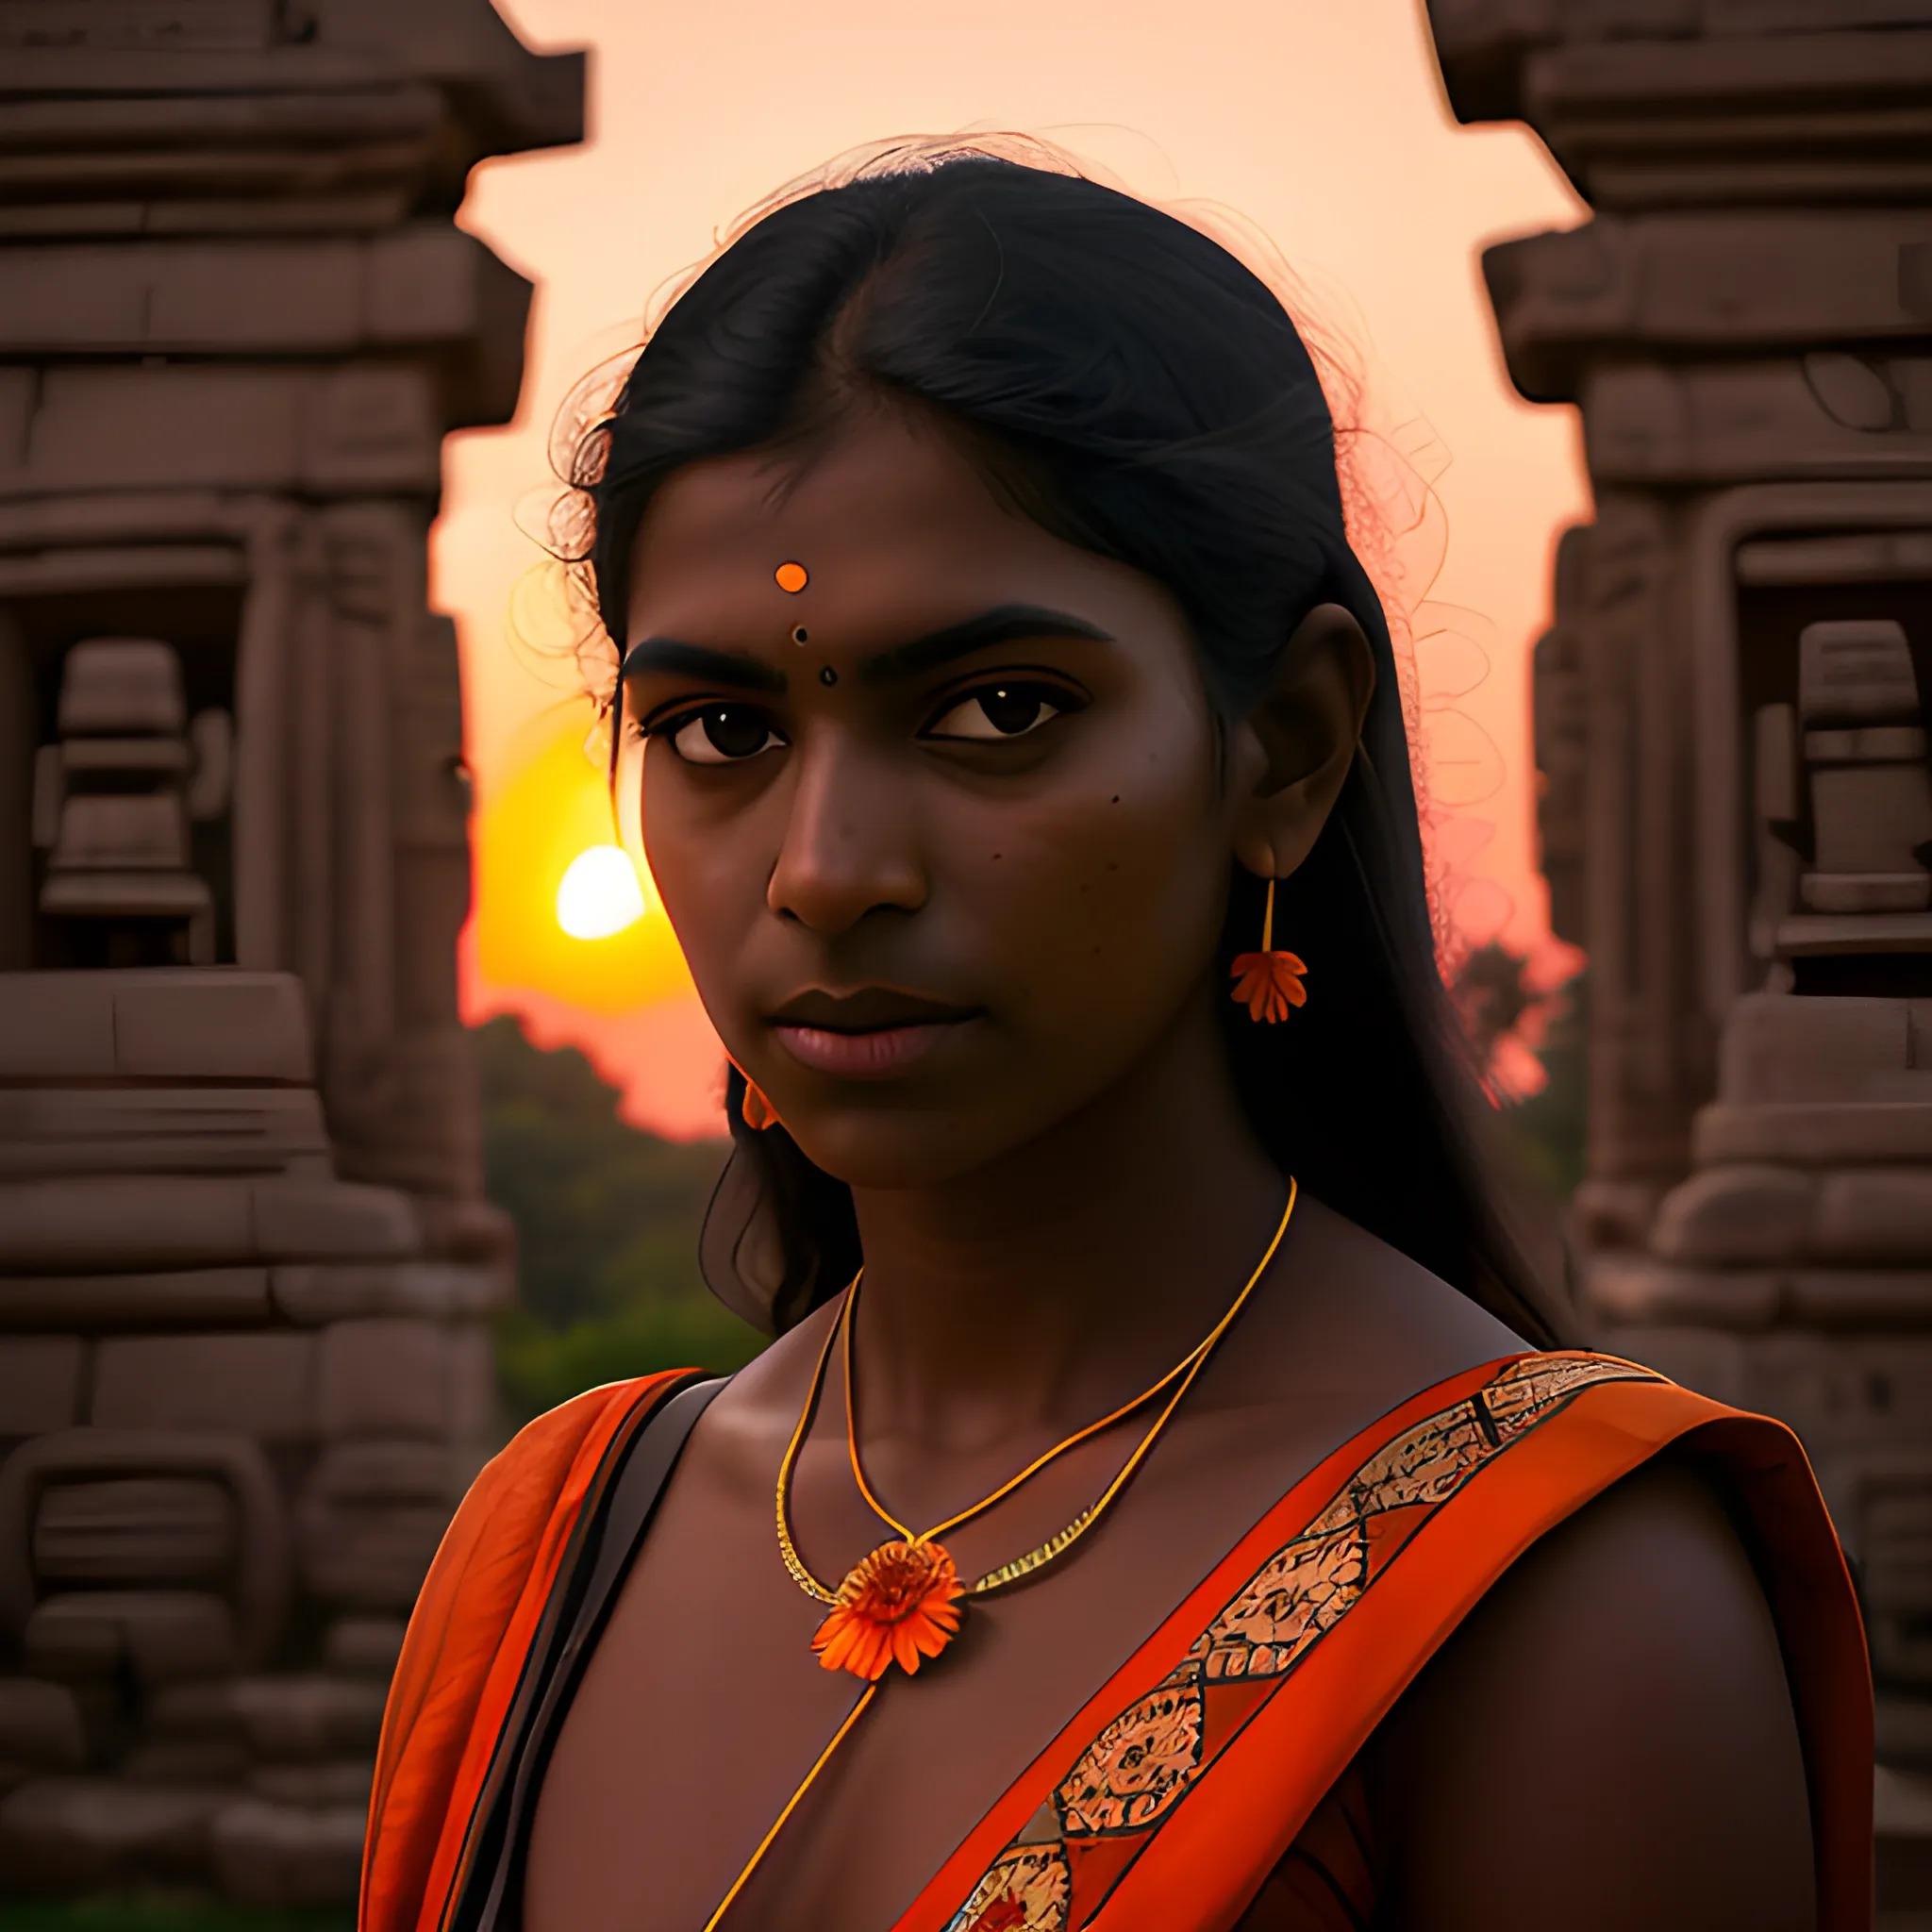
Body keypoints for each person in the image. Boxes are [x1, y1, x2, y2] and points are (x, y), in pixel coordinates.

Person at [360, 146, 1872, 1932]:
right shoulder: (543, 1552)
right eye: (716, 731)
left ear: (1288, 747)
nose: (827, 873)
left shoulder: (1559, 1599)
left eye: (999, 709)